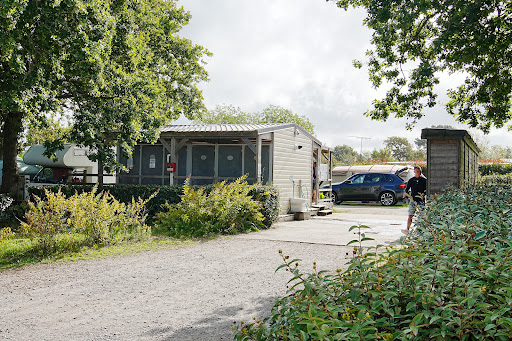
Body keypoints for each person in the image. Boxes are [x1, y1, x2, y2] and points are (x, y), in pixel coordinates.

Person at [402, 166, 427, 234]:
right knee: (410, 215)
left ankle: (420, 229)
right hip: (413, 200)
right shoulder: (411, 180)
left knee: (421, 215)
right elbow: (407, 188)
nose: (417, 173)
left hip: (420, 200)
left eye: (418, 171)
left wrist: (424, 194)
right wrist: (405, 193)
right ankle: (407, 229)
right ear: (414, 172)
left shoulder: (424, 180)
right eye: (416, 171)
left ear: (420, 172)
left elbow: (426, 189)